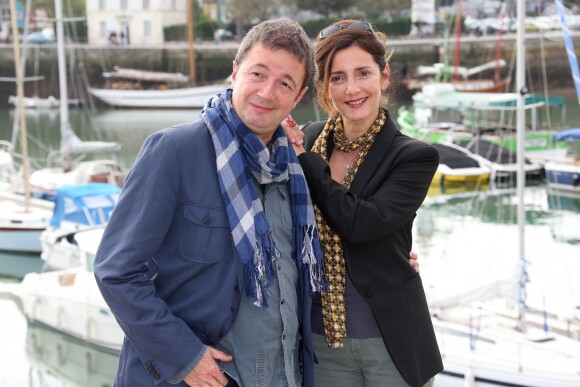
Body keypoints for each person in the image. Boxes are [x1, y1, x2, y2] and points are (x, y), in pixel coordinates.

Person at [93, 19, 323, 387]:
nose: (266, 92)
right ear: (235, 72)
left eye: (284, 84)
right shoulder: (175, 150)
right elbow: (116, 271)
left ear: (298, 97)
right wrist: (184, 357)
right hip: (199, 377)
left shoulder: (293, 170)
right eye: (258, 74)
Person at [283, 20, 443, 387]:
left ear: (384, 76)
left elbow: (362, 225)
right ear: (324, 87)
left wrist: (306, 161)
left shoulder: (414, 156)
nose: (351, 89)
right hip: (322, 344)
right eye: (337, 77)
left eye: (363, 73)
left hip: (392, 343)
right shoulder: (307, 138)